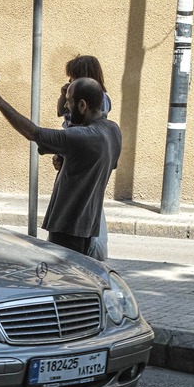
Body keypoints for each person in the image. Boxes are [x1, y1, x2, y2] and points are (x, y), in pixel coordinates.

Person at [0, 76, 121, 256]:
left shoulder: (81, 136)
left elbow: (32, 132)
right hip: (87, 227)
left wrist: (0, 103)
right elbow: (104, 164)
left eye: (69, 102)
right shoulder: (113, 130)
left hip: (68, 227)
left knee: (62, 280)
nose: (66, 107)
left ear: (82, 105)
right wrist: (68, 160)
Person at [53, 54, 111, 260]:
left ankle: (90, 253)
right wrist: (64, 95)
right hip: (70, 151)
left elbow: (90, 128)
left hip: (81, 154)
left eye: (73, 77)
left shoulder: (100, 99)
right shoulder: (73, 96)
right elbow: (60, 112)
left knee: (84, 205)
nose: (70, 81)